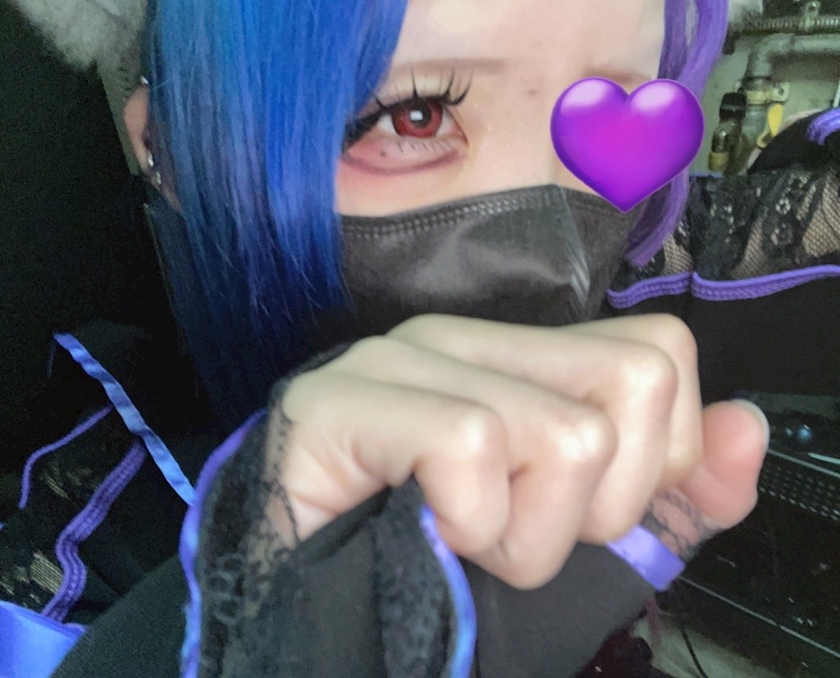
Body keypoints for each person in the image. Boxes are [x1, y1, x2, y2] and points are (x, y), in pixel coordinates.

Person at [1, 0, 839, 676]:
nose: (556, 262)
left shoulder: (641, 265)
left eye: (596, 116)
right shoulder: (81, 560)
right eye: (414, 114)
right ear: (171, 149)